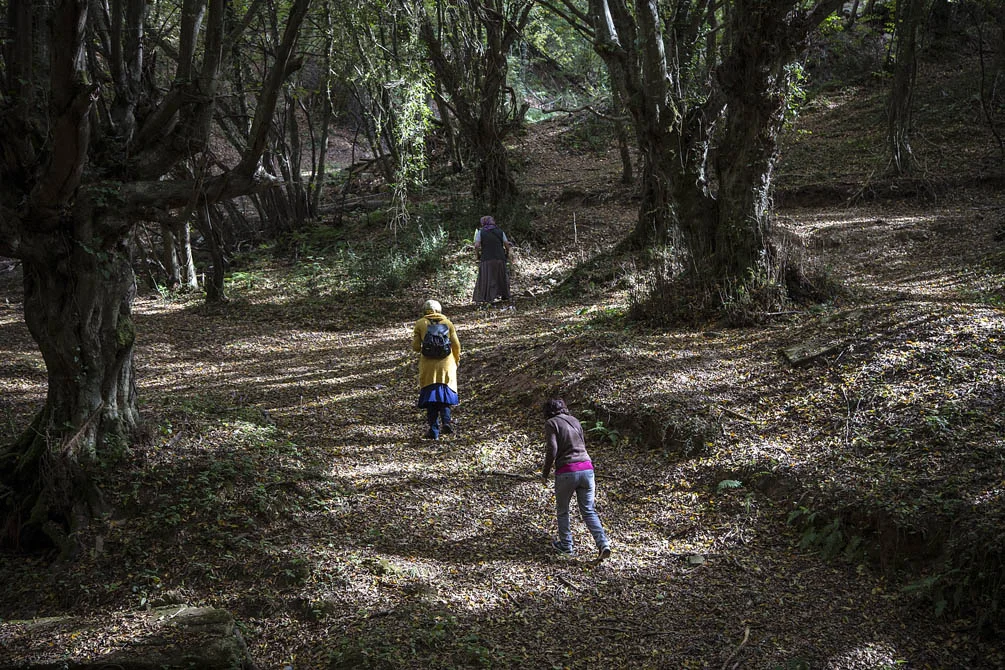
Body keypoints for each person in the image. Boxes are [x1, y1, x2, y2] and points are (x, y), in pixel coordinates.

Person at [541, 398, 612, 561]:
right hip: (587, 469)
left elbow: (552, 449)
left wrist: (545, 473)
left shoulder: (551, 423)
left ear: (548, 411)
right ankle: (603, 544)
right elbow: (582, 444)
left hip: (567, 471)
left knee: (563, 510)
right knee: (588, 510)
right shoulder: (575, 420)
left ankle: (566, 546)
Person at [411, 299, 461, 440]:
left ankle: (433, 430)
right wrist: (456, 360)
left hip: (428, 366)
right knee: (444, 395)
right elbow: (456, 345)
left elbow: (415, 347)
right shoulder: (448, 323)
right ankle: (446, 422)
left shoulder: (420, 323)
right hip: (447, 365)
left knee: (431, 398)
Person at [472, 215, 513, 304]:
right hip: (500, 258)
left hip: (487, 259)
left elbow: (476, 246)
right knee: (501, 276)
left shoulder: (481, 232)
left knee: (488, 278)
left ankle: (488, 297)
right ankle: (504, 295)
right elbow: (507, 244)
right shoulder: (500, 231)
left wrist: (477, 255)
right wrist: (507, 254)